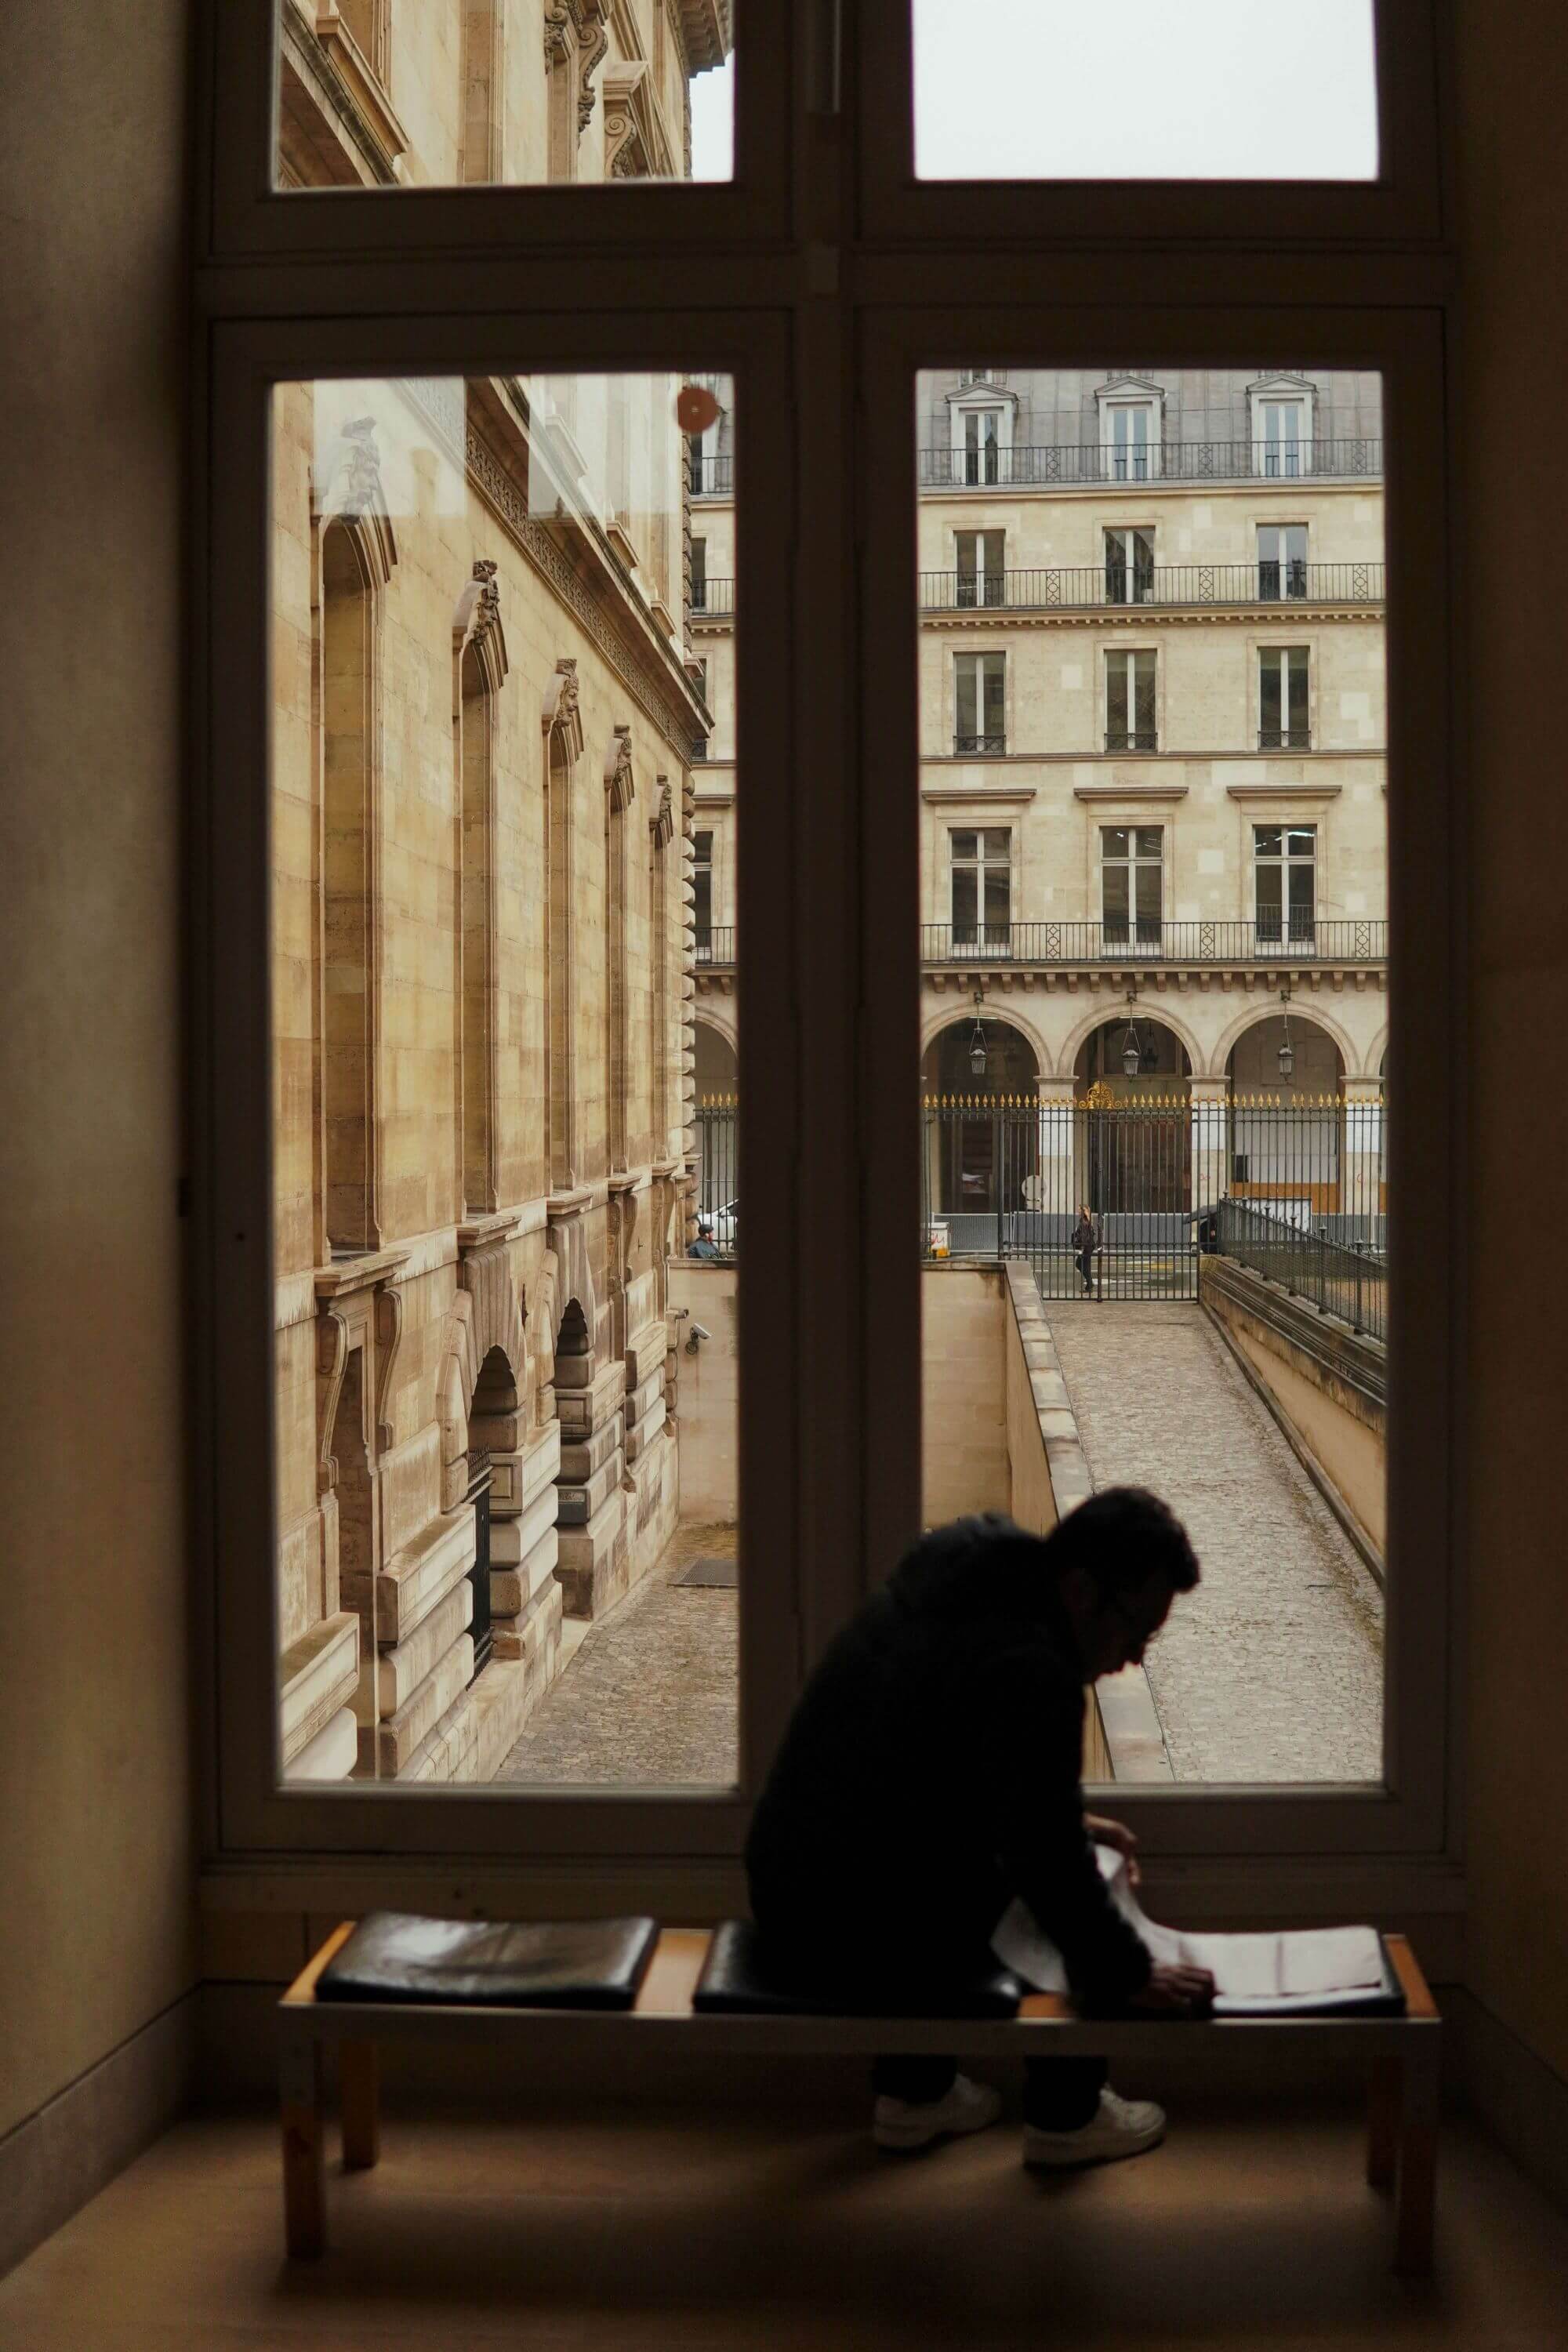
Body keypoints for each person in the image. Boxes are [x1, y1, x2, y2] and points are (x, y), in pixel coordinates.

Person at [745, 1492, 1214, 2168]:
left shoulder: (964, 1575)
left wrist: (1067, 1821)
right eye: (1135, 1629)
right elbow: (1043, 1854)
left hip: (791, 1890)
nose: (1135, 1656)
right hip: (845, 1933)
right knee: (1070, 1889)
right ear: (1081, 1590)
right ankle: (1069, 2116)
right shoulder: (1035, 1669)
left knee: (939, 1859)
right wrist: (1124, 1971)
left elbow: (930, 1773)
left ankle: (917, 2094)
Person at [1072, 1201, 1099, 1295]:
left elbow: (1084, 1237)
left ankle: (1090, 1284)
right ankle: (1089, 1285)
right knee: (1085, 1265)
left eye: (1079, 1210)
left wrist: (1081, 1248)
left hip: (1086, 1246)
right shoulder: (1087, 1220)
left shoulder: (1083, 1221)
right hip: (1089, 1246)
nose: (1078, 1211)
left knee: (1080, 1264)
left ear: (1083, 1211)